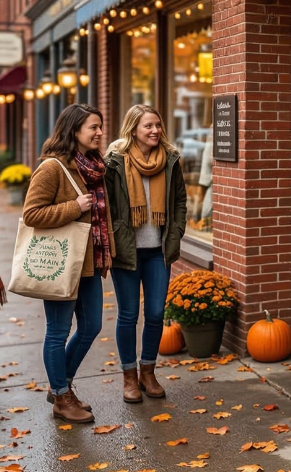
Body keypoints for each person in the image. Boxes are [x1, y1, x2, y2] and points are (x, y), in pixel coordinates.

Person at [21, 104, 111, 423]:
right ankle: (61, 395)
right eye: (93, 127)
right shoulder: (52, 168)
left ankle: (62, 386)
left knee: (91, 326)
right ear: (74, 131)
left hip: (88, 263)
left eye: (100, 127)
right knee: (58, 331)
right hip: (61, 262)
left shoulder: (96, 166)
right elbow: (32, 214)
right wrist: (73, 207)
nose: (100, 132)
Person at [105, 104, 186, 403]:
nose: (155, 131)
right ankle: (129, 377)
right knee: (128, 315)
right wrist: (114, 235)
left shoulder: (170, 159)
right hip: (127, 251)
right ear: (133, 129)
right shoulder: (115, 162)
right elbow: (109, 206)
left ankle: (148, 372)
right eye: (148, 126)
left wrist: (176, 232)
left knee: (155, 314)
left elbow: (179, 200)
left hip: (158, 251)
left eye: (157, 125)